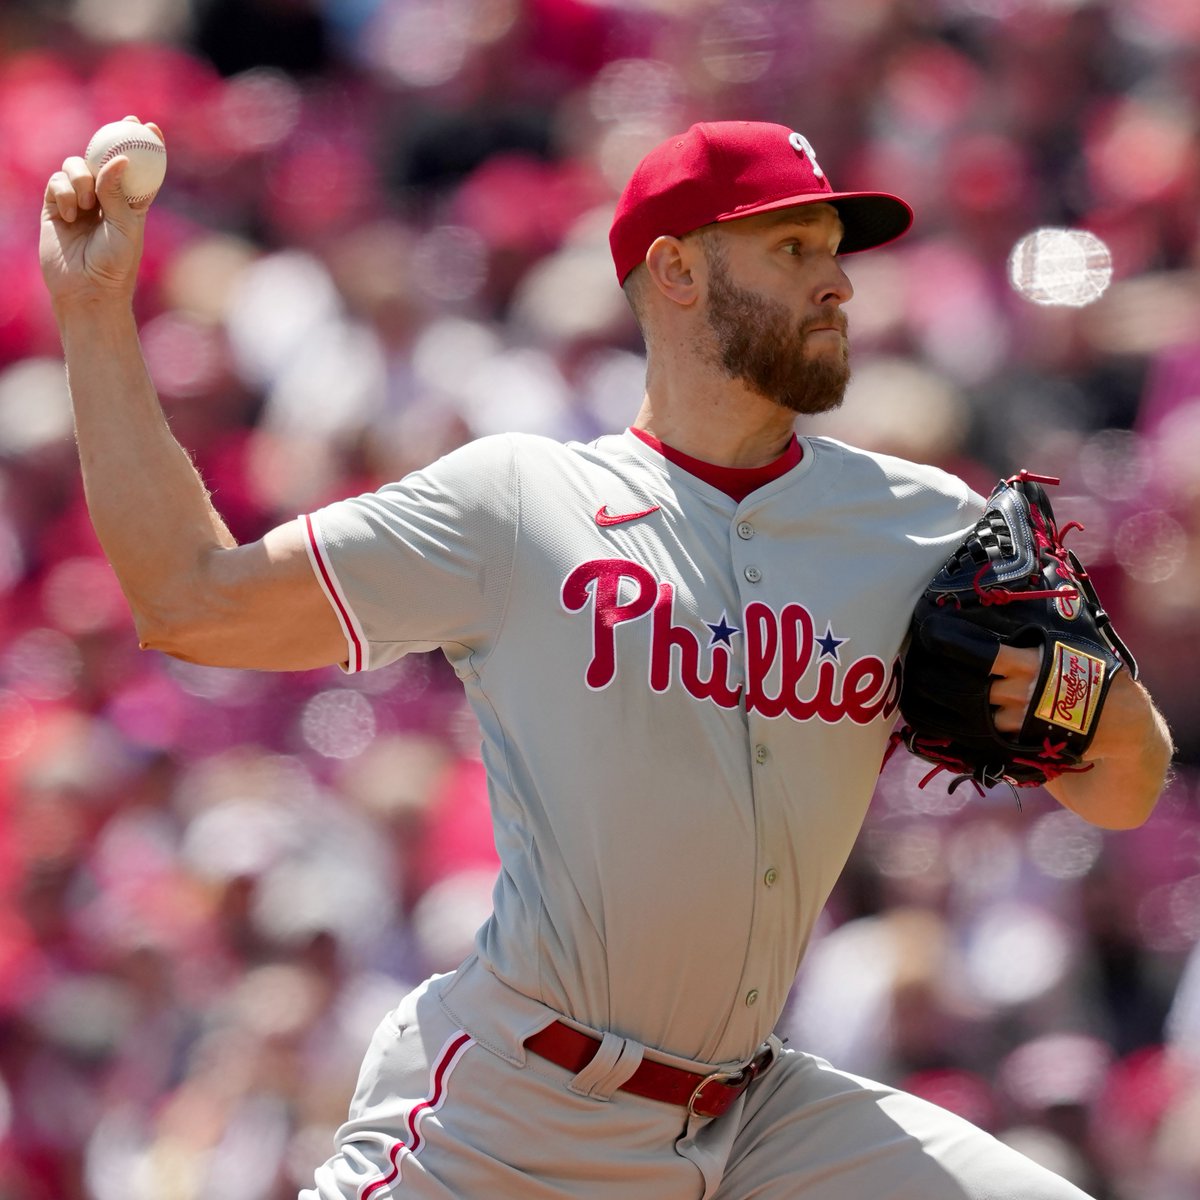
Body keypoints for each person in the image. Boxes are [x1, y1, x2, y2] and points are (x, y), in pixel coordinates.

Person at [41, 117, 1172, 1200]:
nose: (838, 282)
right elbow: (193, 602)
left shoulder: (919, 525)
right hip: (523, 1110)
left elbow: (1127, 785)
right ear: (676, 272)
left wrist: (1084, 700)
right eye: (792, 248)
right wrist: (93, 313)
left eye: (836, 252)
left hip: (761, 1119)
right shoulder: (522, 504)